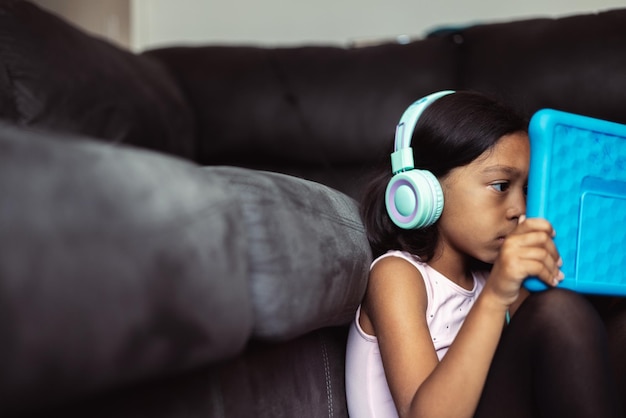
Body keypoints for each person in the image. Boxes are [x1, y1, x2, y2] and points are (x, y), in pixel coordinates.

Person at [345, 90, 622, 418]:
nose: (520, 209)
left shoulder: (485, 278)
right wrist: (496, 296)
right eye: (501, 186)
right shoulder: (397, 275)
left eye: (527, 190)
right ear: (422, 190)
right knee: (557, 312)